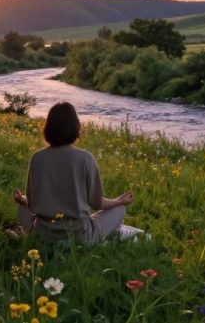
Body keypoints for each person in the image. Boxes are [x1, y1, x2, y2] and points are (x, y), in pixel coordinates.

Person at [13, 102, 135, 244]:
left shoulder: (37, 158)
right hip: (79, 237)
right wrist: (119, 201)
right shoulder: (85, 158)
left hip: (43, 235)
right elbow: (96, 204)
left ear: (48, 128)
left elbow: (32, 205)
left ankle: (31, 236)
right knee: (119, 209)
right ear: (75, 127)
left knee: (22, 208)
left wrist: (22, 199)